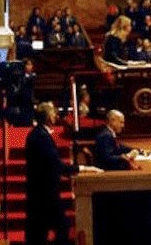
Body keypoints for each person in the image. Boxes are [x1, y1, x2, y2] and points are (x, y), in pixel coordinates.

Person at [25, 102, 101, 245]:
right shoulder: (41, 137)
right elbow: (54, 164)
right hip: (45, 195)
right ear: (48, 117)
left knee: (42, 232)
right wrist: (81, 169)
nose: (56, 116)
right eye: (53, 113)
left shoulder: (37, 134)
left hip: (41, 194)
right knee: (61, 228)